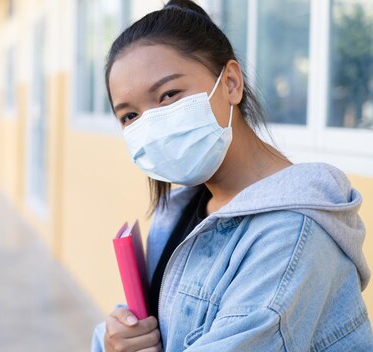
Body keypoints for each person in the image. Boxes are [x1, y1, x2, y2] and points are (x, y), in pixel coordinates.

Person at [91, 0, 373, 351]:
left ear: (231, 83)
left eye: (168, 95)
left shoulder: (290, 234)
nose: (150, 125)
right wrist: (117, 335)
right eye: (130, 116)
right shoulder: (182, 207)